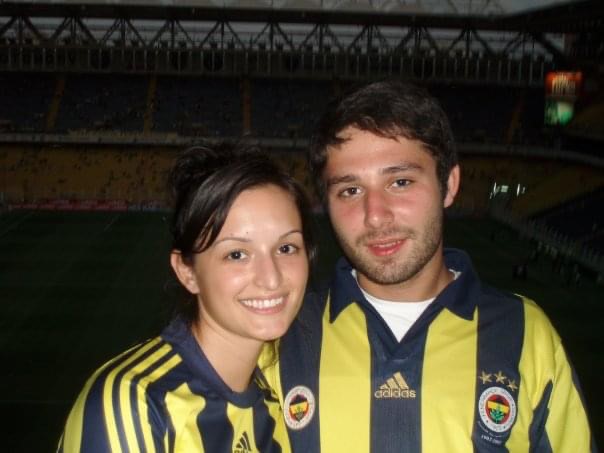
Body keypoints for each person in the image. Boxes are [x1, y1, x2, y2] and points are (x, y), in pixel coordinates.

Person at [271, 81, 595, 452]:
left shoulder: (526, 334)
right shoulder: (284, 334)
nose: (375, 216)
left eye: (401, 181)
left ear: (449, 184)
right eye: (350, 190)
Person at [58, 144, 316, 452]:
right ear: (187, 272)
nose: (271, 277)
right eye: (236, 254)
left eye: (286, 248)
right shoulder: (137, 403)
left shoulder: (276, 393)